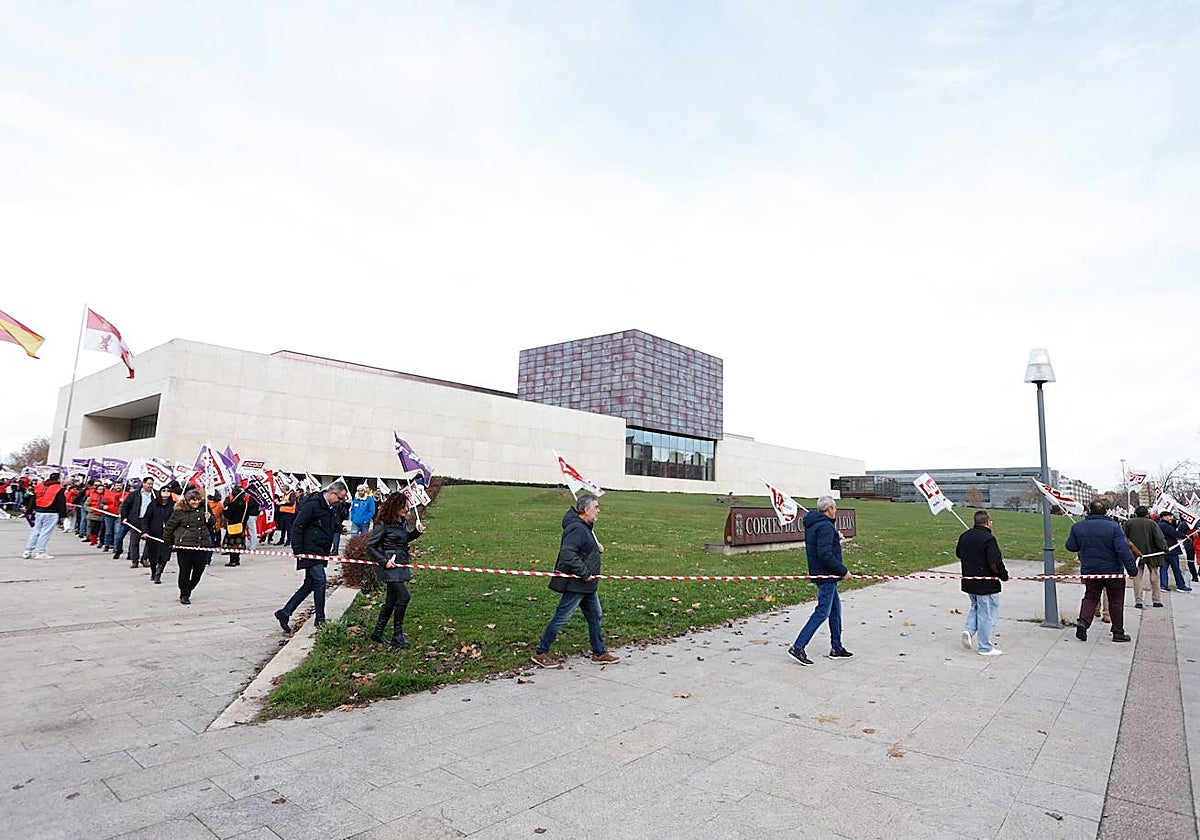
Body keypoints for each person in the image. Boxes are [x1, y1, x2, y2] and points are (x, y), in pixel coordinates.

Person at [531, 493, 618, 666]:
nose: (598, 510)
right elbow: (568, 554)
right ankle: (541, 653)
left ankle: (599, 653)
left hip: (587, 585)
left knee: (595, 616)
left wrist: (595, 548)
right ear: (586, 509)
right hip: (577, 584)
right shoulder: (577, 528)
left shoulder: (585, 527)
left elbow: (582, 549)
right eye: (596, 507)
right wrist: (585, 573)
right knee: (562, 617)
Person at [274, 480, 348, 634]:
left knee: (310, 584)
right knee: (320, 581)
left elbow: (329, 523)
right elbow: (298, 525)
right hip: (308, 550)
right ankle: (320, 618)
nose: (341, 502)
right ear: (331, 493)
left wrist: (339, 528)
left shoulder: (331, 507)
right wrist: (297, 549)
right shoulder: (313, 505)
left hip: (321, 550)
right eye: (340, 498)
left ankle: (285, 612)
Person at [787, 495, 852, 665]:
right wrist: (843, 571)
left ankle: (836, 647)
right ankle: (798, 647)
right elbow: (825, 555)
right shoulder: (825, 527)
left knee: (835, 610)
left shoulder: (817, 525)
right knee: (823, 612)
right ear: (829, 509)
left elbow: (822, 546)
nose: (835, 511)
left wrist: (835, 538)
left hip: (824, 574)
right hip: (826, 575)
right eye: (835, 508)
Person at [1067, 500, 1138, 642]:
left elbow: (1071, 546)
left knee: (1090, 597)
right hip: (1113, 571)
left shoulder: (1078, 527)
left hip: (1090, 570)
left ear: (1089, 511)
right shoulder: (1114, 527)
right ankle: (1118, 632)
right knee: (1116, 601)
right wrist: (1132, 569)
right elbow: (1123, 550)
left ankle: (1083, 622)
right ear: (1106, 512)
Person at [365, 493, 425, 648]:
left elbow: (402, 540)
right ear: (394, 506)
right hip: (389, 566)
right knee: (404, 597)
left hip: (400, 563)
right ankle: (397, 635)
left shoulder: (401, 521)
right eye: (403, 506)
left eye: (407, 506)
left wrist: (416, 532)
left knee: (391, 600)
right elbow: (371, 546)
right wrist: (384, 562)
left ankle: (377, 633)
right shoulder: (383, 523)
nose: (406, 509)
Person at [956, 510, 1009, 656]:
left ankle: (969, 630)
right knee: (987, 614)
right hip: (986, 584)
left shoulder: (964, 536)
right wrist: (1003, 575)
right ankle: (985, 647)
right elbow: (994, 561)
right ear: (987, 522)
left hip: (969, 581)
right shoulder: (988, 539)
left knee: (975, 607)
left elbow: (959, 554)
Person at [163, 488, 214, 605]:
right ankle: (184, 593)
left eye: (198, 500)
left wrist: (209, 518)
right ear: (187, 500)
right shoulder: (179, 511)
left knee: (199, 570)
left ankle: (190, 588)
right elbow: (169, 527)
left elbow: (212, 523)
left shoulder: (204, 508)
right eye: (193, 500)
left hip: (202, 544)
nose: (196, 502)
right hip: (185, 545)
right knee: (185, 570)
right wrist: (168, 542)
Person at [1125, 505, 1166, 609]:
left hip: (1135, 553)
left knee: (1137, 577)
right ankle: (1156, 600)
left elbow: (1124, 538)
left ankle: (1138, 600)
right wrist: (1164, 548)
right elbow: (1159, 538)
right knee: (1154, 575)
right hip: (1152, 552)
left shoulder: (1129, 523)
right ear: (1147, 514)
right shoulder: (1152, 523)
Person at [22, 472, 67, 559]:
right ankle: (40, 552)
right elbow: (61, 502)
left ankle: (28, 550)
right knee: (45, 532)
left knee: (36, 531)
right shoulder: (59, 488)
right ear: (58, 479)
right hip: (51, 512)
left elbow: (33, 499)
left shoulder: (40, 486)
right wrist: (63, 515)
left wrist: (29, 511)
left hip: (39, 511)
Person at [119, 477, 157, 569]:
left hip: (149, 521)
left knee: (150, 541)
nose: (150, 486)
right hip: (136, 520)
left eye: (152, 484)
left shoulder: (155, 495)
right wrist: (124, 517)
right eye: (148, 484)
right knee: (134, 541)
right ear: (143, 483)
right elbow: (125, 506)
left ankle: (144, 558)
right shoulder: (135, 494)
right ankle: (134, 560)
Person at [143, 485, 176, 584]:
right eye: (163, 491)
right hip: (154, 534)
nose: (166, 493)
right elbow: (146, 519)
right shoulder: (153, 504)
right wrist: (145, 531)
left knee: (165, 556)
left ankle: (159, 573)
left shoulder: (173, 505)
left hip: (168, 535)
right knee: (153, 556)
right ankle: (153, 571)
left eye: (168, 491)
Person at [1157, 511, 1191, 592]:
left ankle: (1163, 585)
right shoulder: (1165, 526)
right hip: (1171, 549)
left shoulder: (1160, 525)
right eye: (1170, 516)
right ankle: (1181, 586)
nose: (1171, 518)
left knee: (1164, 568)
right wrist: (1184, 536)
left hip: (1164, 549)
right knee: (1176, 568)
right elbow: (1174, 533)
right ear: (1164, 517)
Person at [222, 485, 250, 567]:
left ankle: (232, 561)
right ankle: (237, 559)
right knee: (238, 544)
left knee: (232, 544)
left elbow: (228, 515)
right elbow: (247, 516)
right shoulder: (245, 504)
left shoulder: (232, 504)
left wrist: (225, 511)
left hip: (232, 526)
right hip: (241, 525)